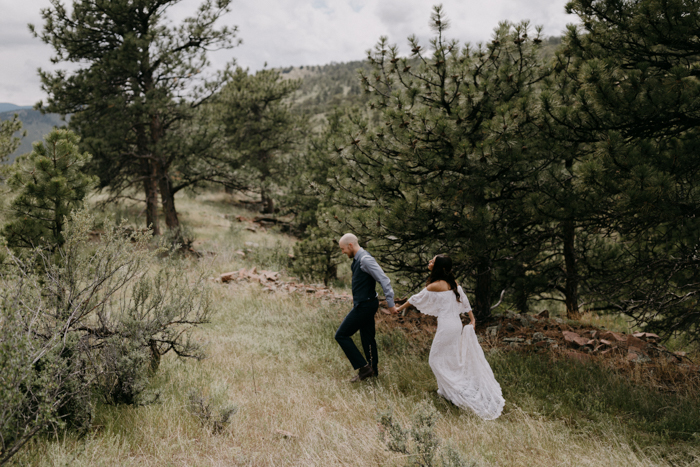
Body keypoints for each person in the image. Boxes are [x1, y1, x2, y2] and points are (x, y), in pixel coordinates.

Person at [395, 254, 505, 420]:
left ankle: (456, 390)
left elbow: (415, 299)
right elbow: (465, 301)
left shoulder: (436, 284)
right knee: (449, 359)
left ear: (438, 266)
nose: (429, 262)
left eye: (432, 261)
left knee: (434, 360)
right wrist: (472, 319)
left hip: (447, 326)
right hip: (455, 325)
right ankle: (446, 391)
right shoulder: (452, 283)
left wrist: (398, 309)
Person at [336, 233, 397, 382]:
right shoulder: (358, 259)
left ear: (350, 245)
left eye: (343, 249)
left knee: (341, 335)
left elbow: (384, 280)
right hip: (365, 303)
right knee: (367, 339)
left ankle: (364, 368)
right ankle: (373, 372)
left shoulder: (365, 259)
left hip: (366, 305)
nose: (343, 252)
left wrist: (391, 304)